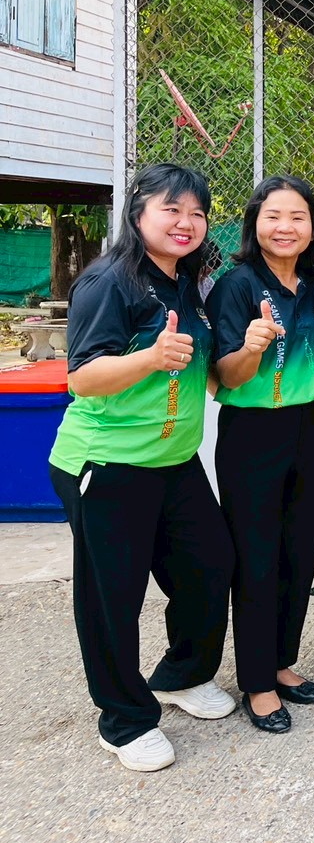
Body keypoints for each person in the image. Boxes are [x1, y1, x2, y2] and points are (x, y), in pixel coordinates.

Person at [47, 164, 235, 772]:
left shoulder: (188, 282)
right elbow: (82, 377)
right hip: (108, 463)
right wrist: (151, 358)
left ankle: (181, 675)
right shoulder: (108, 282)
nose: (185, 223)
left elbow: (208, 375)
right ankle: (124, 720)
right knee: (114, 597)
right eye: (170, 209)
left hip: (173, 462)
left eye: (196, 213)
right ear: (137, 213)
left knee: (210, 565)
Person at [208, 175, 314, 735]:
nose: (285, 227)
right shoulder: (236, 286)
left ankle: (281, 662)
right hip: (253, 433)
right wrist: (252, 347)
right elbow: (226, 377)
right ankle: (257, 682)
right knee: (256, 558)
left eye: (297, 217)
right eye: (273, 216)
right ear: (254, 223)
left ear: (313, 228)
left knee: (299, 553)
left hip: (311, 426)